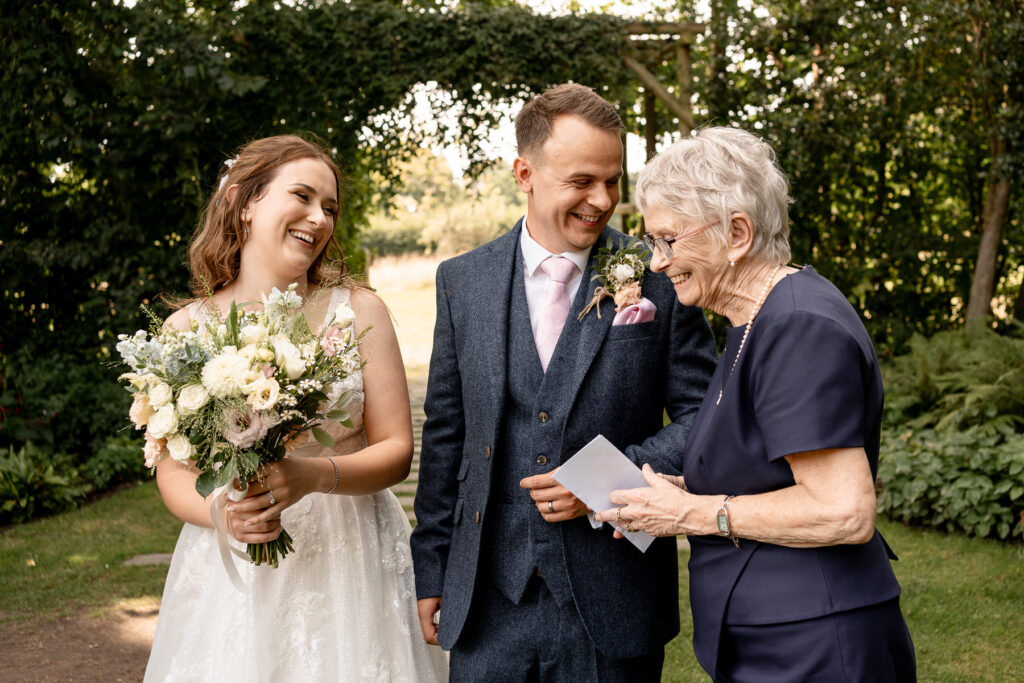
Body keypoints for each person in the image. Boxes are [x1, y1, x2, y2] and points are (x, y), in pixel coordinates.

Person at [409, 83, 718, 681]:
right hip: (487, 599)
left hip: (614, 597)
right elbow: (447, 434)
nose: (601, 201)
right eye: (581, 181)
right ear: (524, 173)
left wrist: (601, 486)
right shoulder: (461, 281)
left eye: (612, 181)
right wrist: (433, 566)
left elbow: (705, 418)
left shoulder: (659, 276)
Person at [595, 126, 916, 682]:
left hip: (814, 643)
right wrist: (676, 495)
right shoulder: (754, 321)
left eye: (668, 240)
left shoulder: (797, 326)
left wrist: (691, 514)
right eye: (652, 243)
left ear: (736, 233)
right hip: (776, 633)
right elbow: (763, 472)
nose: (656, 263)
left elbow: (844, 510)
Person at [145, 135, 447, 682]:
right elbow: (171, 471)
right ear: (244, 202)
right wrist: (226, 515)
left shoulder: (358, 313)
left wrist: (312, 475)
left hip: (351, 557)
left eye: (329, 207)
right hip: (234, 560)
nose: (319, 218)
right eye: (303, 196)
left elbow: (397, 451)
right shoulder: (185, 330)